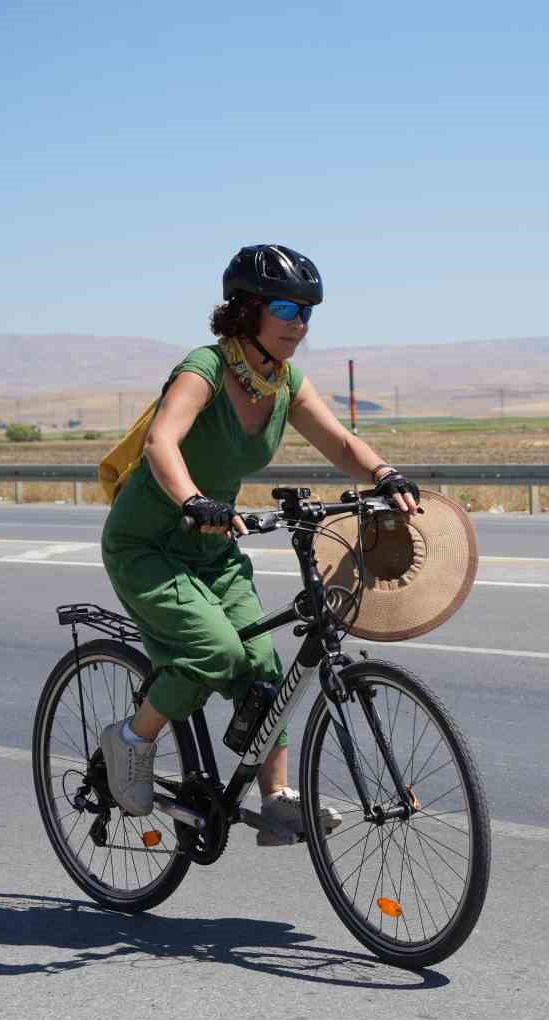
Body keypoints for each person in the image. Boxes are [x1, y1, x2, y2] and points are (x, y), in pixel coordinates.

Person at [98, 244, 420, 845]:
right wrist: (195, 501)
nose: (299, 322)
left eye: (307, 311)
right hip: (149, 543)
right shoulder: (208, 368)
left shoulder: (284, 381)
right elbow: (161, 443)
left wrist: (383, 475)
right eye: (284, 307)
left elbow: (341, 442)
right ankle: (131, 739)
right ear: (246, 309)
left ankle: (277, 802)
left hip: (213, 549)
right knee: (215, 653)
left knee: (266, 667)